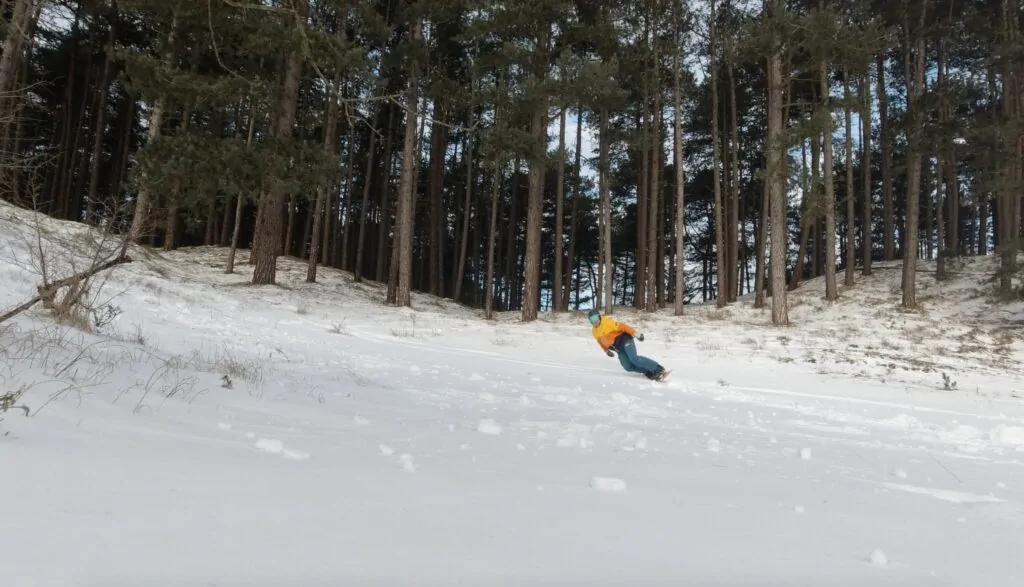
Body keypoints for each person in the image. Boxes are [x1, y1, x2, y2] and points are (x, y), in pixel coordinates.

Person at [587, 309, 668, 381]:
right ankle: (648, 371)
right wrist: (606, 350)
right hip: (619, 349)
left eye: (595, 318)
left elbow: (623, 327)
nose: (595, 321)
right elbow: (600, 342)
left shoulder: (607, 323)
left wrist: (635, 333)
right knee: (627, 367)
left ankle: (658, 369)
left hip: (625, 340)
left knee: (634, 359)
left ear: (599, 317)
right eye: (592, 319)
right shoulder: (594, 332)